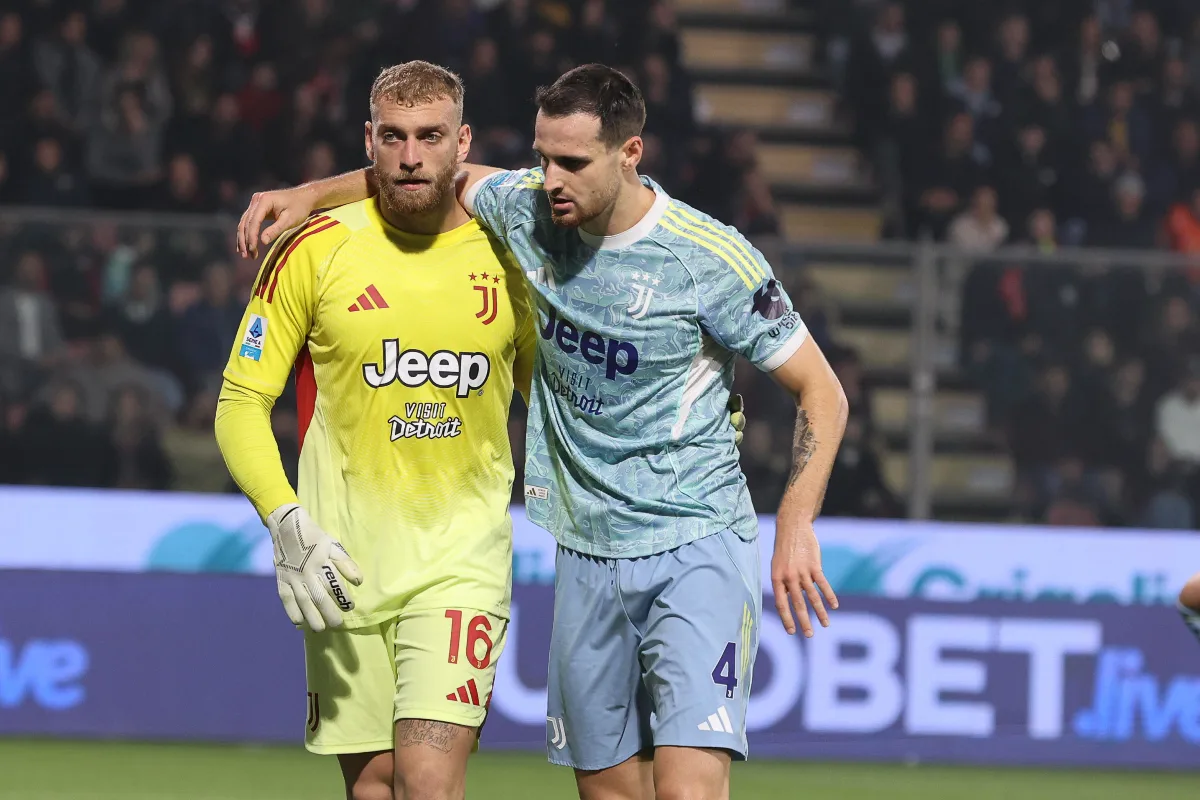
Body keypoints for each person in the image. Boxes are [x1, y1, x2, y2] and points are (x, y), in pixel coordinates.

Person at [236, 63, 845, 800]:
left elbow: (822, 390)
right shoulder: (525, 211)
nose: (550, 178)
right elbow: (416, 174)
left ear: (630, 154)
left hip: (695, 536)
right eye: (542, 157)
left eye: (573, 162)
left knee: (686, 789)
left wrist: (796, 521)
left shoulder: (708, 257)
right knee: (609, 791)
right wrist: (307, 195)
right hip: (587, 550)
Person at [214, 62, 539, 800]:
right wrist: (286, 520)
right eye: (393, 136)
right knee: (374, 786)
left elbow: (549, 392)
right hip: (340, 565)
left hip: (462, 562)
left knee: (426, 781)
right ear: (369, 140)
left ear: (464, 144)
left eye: (431, 137)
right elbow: (239, 403)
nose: (411, 155)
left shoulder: (511, 253)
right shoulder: (313, 248)